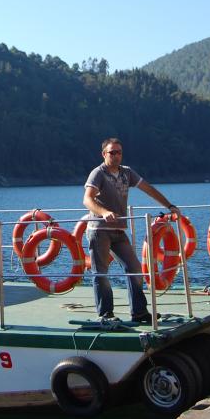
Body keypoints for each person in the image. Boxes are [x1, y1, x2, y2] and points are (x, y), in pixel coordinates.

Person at [82, 137, 178, 323]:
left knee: (134, 268)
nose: (116, 156)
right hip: (99, 229)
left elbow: (148, 189)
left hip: (118, 230)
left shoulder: (127, 173)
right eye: (112, 153)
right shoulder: (98, 173)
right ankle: (105, 314)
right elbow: (87, 199)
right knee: (101, 272)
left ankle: (139, 312)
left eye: (119, 152)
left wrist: (169, 205)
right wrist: (104, 212)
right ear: (104, 154)